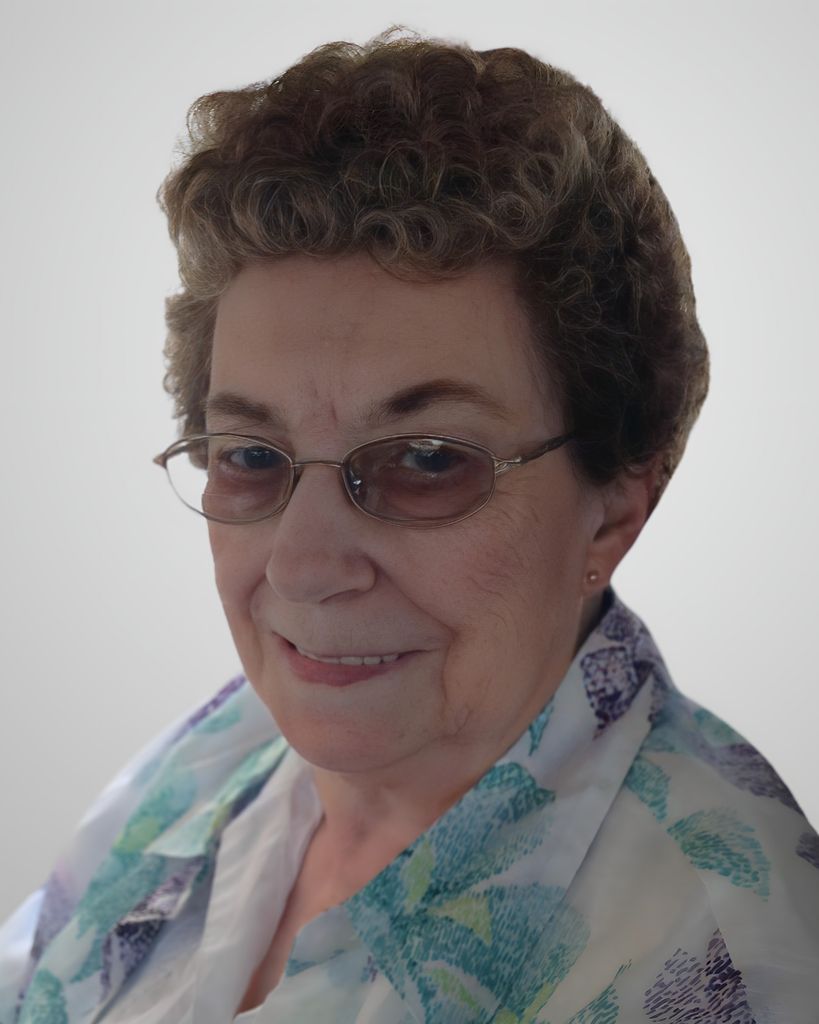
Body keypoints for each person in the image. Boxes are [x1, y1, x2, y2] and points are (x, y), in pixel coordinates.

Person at [1, 27, 817, 1024]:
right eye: (251, 455)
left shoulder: (730, 970)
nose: (301, 568)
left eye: (427, 460)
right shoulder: (210, 765)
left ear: (615, 509)